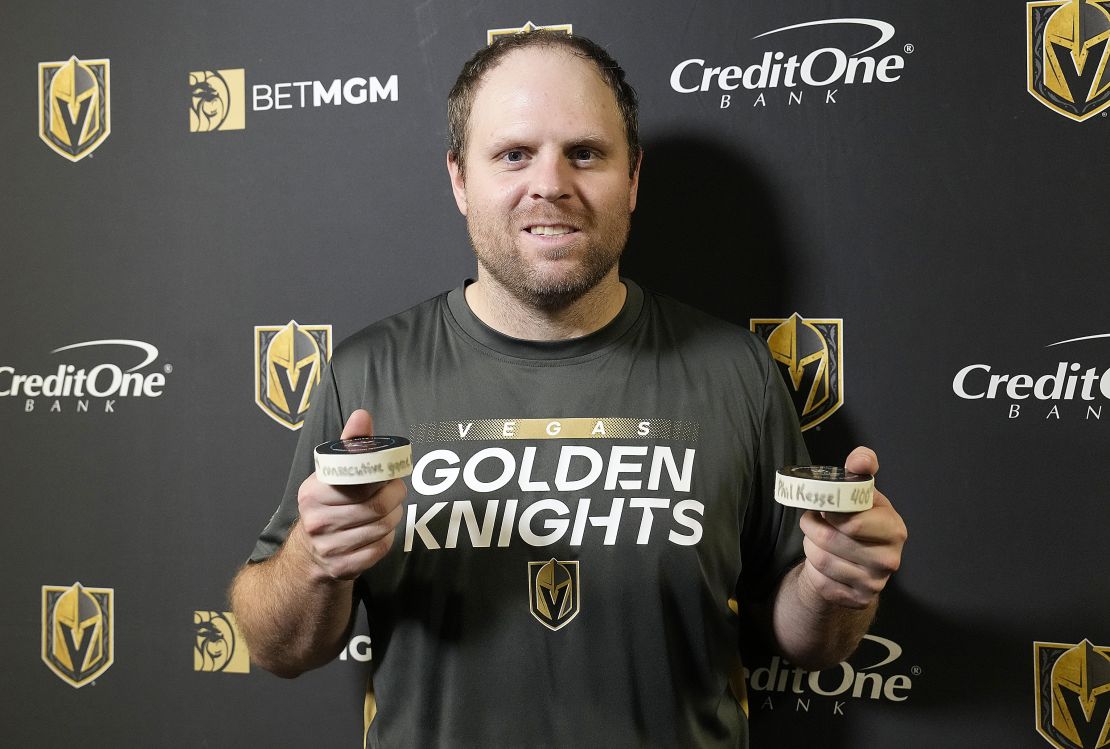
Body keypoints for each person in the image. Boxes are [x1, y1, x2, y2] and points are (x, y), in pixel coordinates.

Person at [230, 30, 907, 747]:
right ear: (460, 179)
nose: (550, 183)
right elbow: (279, 646)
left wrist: (836, 586)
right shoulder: (366, 371)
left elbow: (809, 641)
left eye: (584, 153)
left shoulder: (735, 370)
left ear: (633, 178)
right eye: (514, 154)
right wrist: (315, 559)